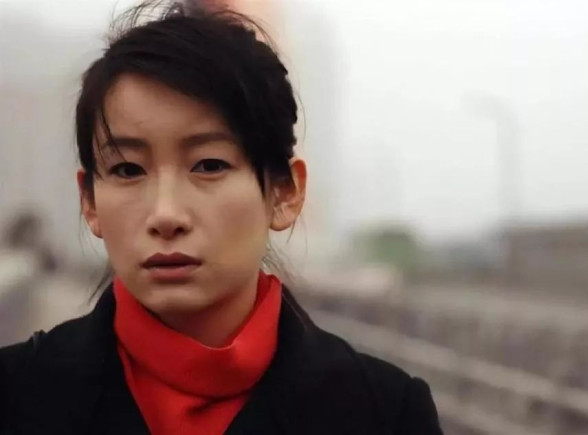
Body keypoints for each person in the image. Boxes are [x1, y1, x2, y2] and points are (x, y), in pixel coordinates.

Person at [0, 2, 443, 433]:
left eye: (209, 165)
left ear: (284, 192)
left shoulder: (384, 414)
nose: (166, 215)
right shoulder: (16, 395)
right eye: (128, 170)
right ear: (90, 202)